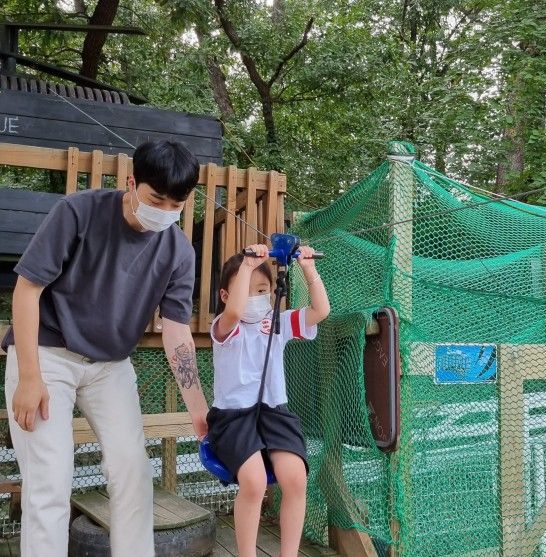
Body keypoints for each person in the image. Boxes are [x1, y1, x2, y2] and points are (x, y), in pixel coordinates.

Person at [2, 140, 209, 556]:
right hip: (47, 355)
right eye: (156, 199)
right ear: (131, 182)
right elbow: (27, 290)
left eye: (177, 203)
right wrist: (28, 376)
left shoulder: (178, 252)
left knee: (133, 473)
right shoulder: (78, 212)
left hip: (110, 366)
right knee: (50, 480)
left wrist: (199, 408)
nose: (166, 210)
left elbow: (176, 333)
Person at [208, 244, 329, 557]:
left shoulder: (279, 321)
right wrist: (247, 266)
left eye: (262, 289)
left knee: (296, 478)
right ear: (225, 295)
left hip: (274, 413)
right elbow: (235, 312)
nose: (255, 297)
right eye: (245, 290)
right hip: (234, 418)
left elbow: (321, 311)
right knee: (254, 481)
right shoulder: (224, 327)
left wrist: (309, 270)